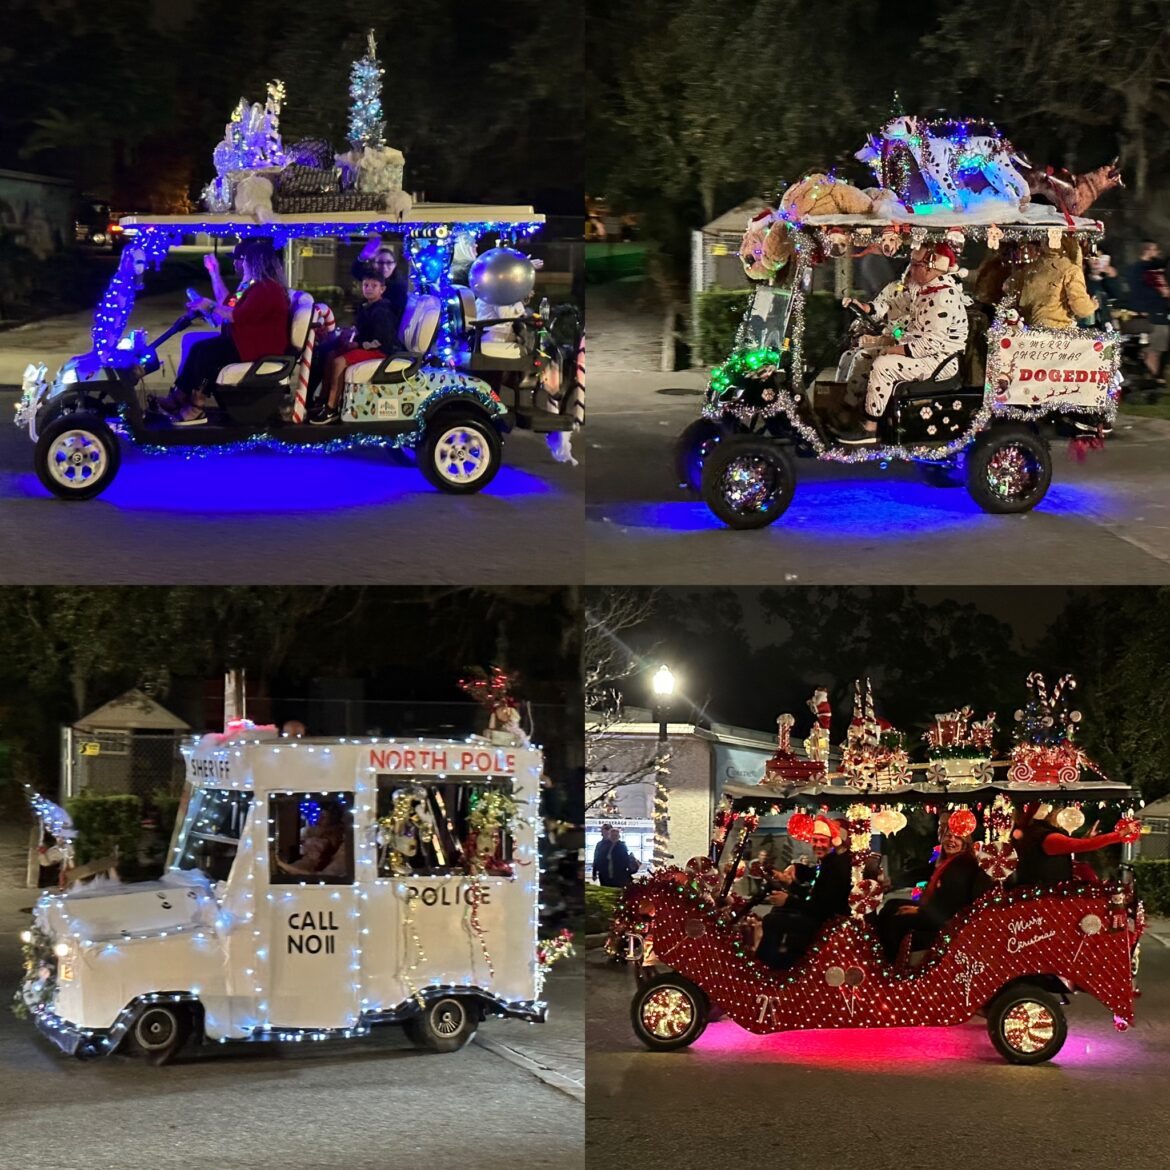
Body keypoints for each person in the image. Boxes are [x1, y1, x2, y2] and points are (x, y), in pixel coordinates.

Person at [839, 243, 969, 445]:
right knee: (865, 356)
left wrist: (891, 350)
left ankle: (870, 428)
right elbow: (894, 305)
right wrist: (866, 307)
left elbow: (929, 345)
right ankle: (848, 412)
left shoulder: (943, 296)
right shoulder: (923, 290)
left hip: (940, 361)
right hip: (923, 352)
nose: (911, 268)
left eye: (916, 265)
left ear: (930, 267)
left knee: (883, 365)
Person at [154, 238, 291, 426]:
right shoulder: (257, 287)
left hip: (257, 350)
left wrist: (209, 305)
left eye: (243, 261)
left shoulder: (267, 289)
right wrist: (209, 297)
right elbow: (228, 307)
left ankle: (197, 406)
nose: (238, 264)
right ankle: (179, 396)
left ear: (253, 263)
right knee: (199, 347)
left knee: (208, 354)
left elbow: (237, 316)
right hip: (246, 342)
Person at [880, 820, 992, 965]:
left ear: (965, 842)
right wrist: (892, 881)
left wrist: (920, 912)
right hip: (936, 908)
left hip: (946, 918)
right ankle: (880, 956)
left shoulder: (962, 865)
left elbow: (949, 902)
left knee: (896, 919)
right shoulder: (948, 861)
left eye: (957, 837)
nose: (951, 840)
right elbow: (921, 873)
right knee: (891, 904)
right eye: (948, 836)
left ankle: (889, 964)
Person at [751, 817, 851, 969]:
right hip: (819, 915)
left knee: (772, 920)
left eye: (823, 841)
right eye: (815, 840)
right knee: (777, 911)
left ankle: (767, 968)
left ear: (833, 841)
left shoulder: (836, 867)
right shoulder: (826, 863)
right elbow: (813, 894)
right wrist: (789, 883)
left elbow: (822, 908)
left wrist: (789, 900)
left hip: (828, 921)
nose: (818, 845)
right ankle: (776, 963)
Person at [310, 265, 404, 424]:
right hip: (367, 346)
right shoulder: (365, 306)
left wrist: (358, 344)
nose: (368, 289)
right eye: (366, 285)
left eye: (374, 286)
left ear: (382, 289)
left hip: (381, 351)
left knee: (339, 361)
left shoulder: (382, 310)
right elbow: (362, 330)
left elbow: (381, 339)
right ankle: (322, 399)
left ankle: (332, 408)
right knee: (331, 354)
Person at [1008, 804, 1130, 888]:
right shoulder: (1047, 836)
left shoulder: (1032, 832)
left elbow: (1073, 846)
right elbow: (1084, 845)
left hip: (1036, 887)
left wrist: (1084, 839)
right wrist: (1120, 834)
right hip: (1048, 891)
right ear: (1050, 814)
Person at [1005, 237, 1097, 330]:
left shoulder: (1031, 267)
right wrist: (1092, 305)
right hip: (1057, 330)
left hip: (1028, 327)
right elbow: (1080, 307)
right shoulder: (1071, 270)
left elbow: (1007, 286)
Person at [1126, 240, 1170, 382]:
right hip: (1150, 314)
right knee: (1153, 349)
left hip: (1161, 311)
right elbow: (1138, 292)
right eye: (1155, 250)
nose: (1157, 253)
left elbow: (1164, 262)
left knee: (1160, 347)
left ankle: (1154, 378)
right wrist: (1159, 292)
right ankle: (1150, 379)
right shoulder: (1138, 269)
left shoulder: (1154, 266)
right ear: (1148, 250)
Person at [276, 805, 347, 875]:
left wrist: (284, 866)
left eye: (323, 817)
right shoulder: (312, 832)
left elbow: (325, 875)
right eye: (319, 816)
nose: (319, 819)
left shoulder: (342, 848)